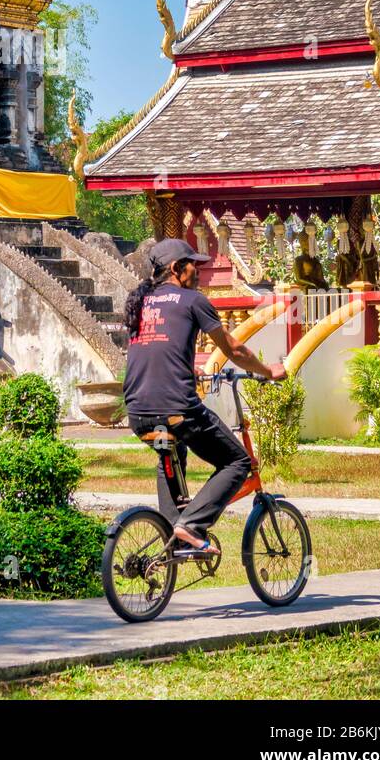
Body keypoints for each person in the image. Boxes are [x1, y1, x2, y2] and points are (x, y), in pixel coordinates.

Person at [123, 237, 287, 554]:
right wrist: (268, 371)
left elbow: (155, 348)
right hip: (177, 409)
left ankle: (173, 534)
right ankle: (192, 526)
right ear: (176, 269)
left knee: (170, 449)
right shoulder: (192, 300)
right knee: (238, 463)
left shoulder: (140, 302)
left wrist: (189, 370)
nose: (198, 271)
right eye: (193, 265)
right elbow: (234, 349)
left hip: (139, 413)